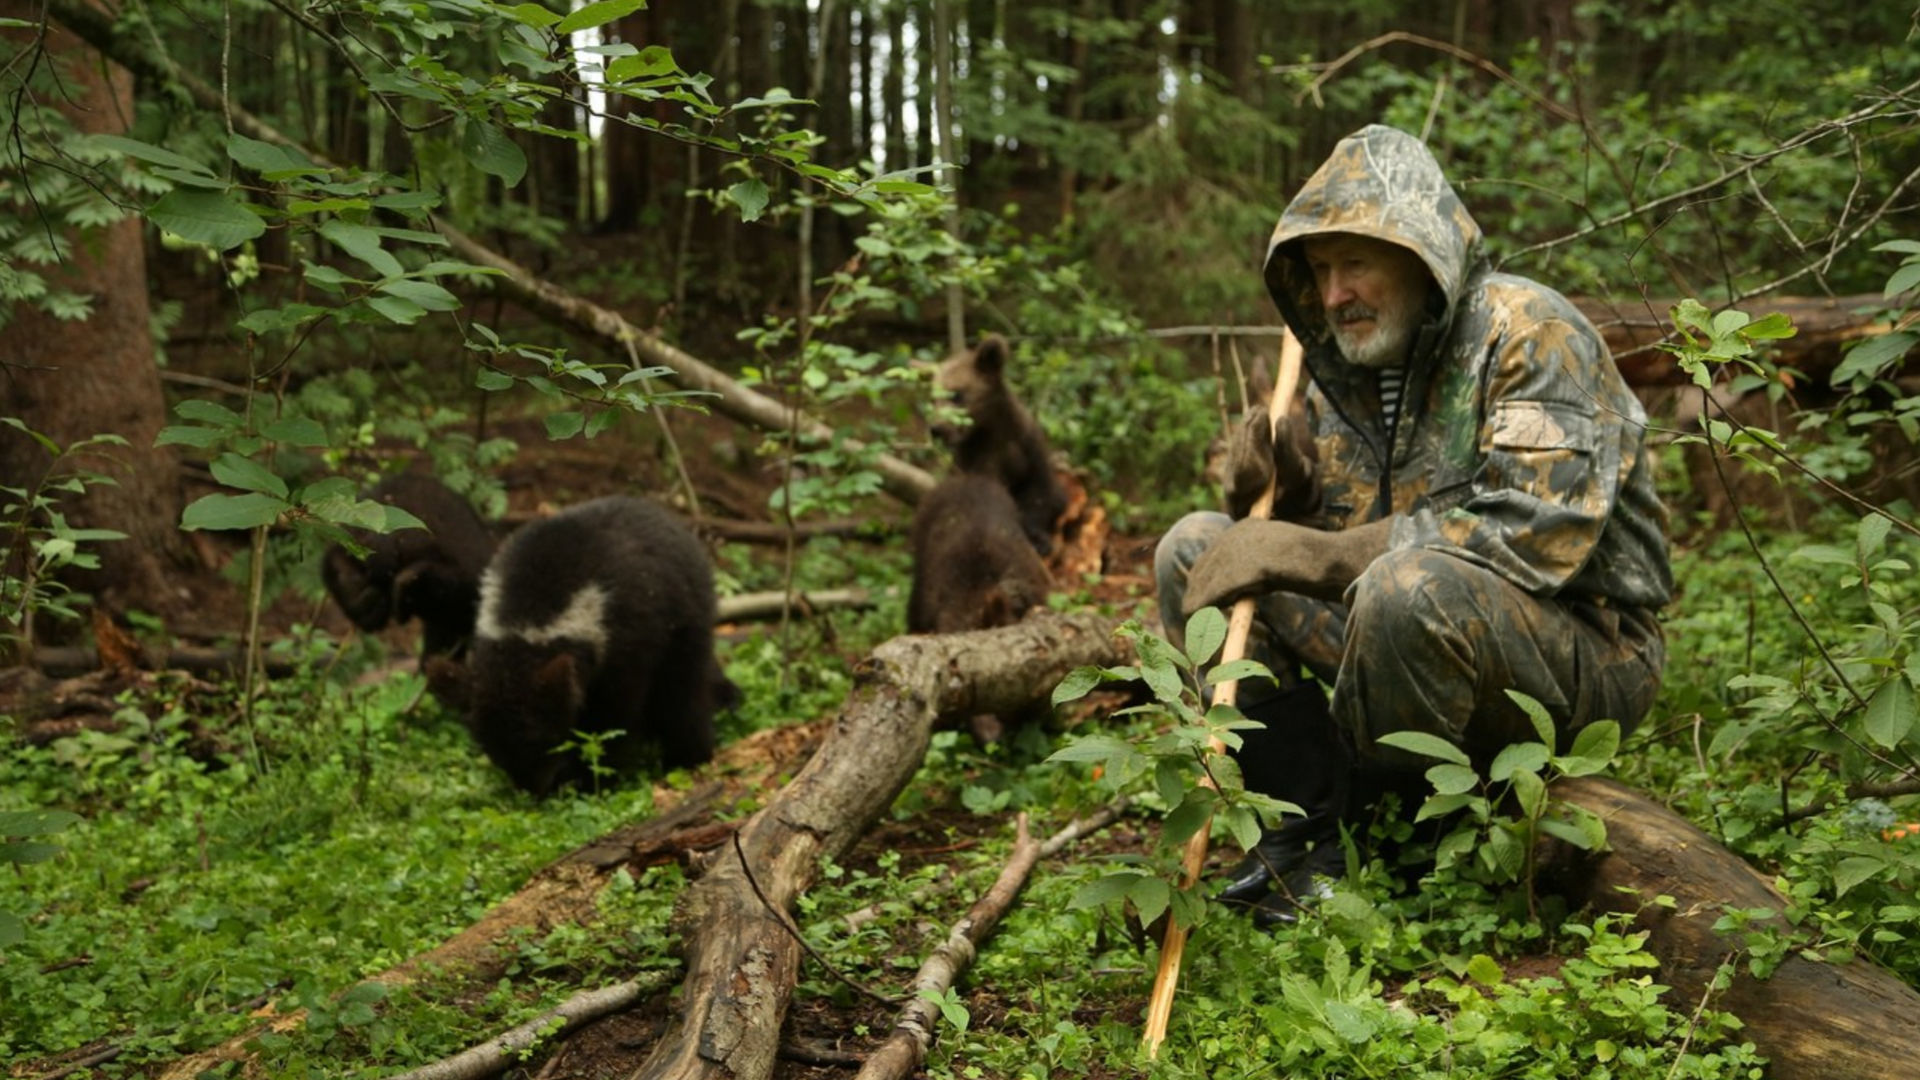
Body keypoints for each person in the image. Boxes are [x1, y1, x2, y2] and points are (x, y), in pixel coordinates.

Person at [1155, 124, 1672, 927]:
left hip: (1584, 649)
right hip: (1412, 630)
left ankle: (1391, 847)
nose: (1333, 295)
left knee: (1406, 588)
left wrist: (1315, 551)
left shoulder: (1530, 331)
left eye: (1355, 262)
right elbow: (1314, 536)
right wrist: (1279, 487)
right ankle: (1303, 828)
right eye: (1320, 270)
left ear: (1421, 253)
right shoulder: (1348, 365)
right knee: (1195, 549)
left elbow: (1533, 533)